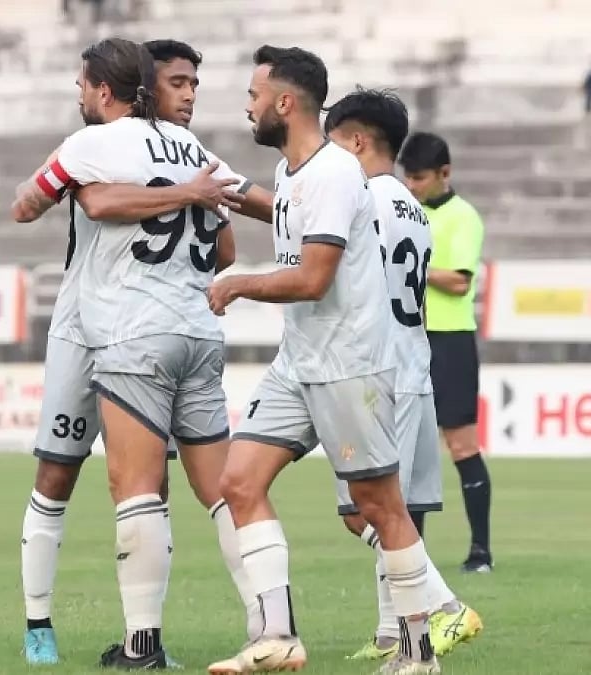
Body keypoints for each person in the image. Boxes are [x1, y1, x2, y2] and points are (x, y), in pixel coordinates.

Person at [9, 37, 268, 669]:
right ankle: (270, 626)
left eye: (192, 84)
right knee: (78, 477)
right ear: (148, 84)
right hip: (108, 326)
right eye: (179, 83)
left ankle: (139, 643)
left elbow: (34, 204)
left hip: (127, 329)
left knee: (133, 486)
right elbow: (245, 224)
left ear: (103, 89)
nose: (190, 94)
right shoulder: (198, 157)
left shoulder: (93, 147)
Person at [206, 45, 449, 675]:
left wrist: (238, 284)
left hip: (347, 364)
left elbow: (313, 278)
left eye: (256, 94)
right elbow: (288, 218)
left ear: (285, 103)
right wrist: (225, 190)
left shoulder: (337, 171)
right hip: (301, 361)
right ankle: (277, 637)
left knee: (379, 507)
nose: (249, 105)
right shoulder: (295, 172)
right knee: (238, 482)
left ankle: (419, 654)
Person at [324, 88, 484, 662]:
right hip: (412, 366)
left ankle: (442, 605)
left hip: (374, 372)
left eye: (335, 139)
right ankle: (398, 635)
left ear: (359, 141)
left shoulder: (364, 200)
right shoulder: (412, 207)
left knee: (367, 510)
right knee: (385, 508)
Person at [398, 132, 491, 574]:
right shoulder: (403, 211)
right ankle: (414, 556)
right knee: (411, 447)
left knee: (460, 443)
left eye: (419, 178)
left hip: (450, 339)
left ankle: (480, 552)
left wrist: (411, 260)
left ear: (444, 174)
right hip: (408, 336)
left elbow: (459, 281)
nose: (412, 186)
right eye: (407, 177)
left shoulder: (463, 217)